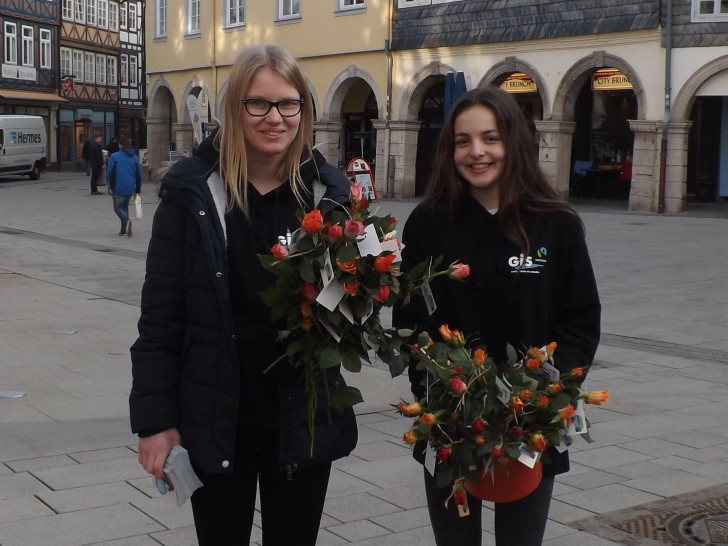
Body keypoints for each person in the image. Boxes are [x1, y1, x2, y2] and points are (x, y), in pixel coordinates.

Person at [129, 44, 357, 546]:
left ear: (304, 109)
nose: (275, 117)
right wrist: (155, 422)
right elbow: (161, 318)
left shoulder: (329, 197)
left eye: (288, 103)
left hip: (301, 415)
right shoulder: (192, 195)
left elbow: (345, 310)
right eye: (258, 103)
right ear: (235, 108)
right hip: (216, 417)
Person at [393, 86, 601, 546]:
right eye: (463, 141)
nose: (477, 151)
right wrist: (439, 393)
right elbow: (411, 321)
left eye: (490, 137)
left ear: (514, 142)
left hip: (531, 426)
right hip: (450, 421)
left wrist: (545, 394)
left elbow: (580, 319)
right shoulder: (429, 222)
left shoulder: (556, 223)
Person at [107, 135, 142, 237]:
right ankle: (123, 230)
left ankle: (127, 220)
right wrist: (138, 187)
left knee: (118, 208)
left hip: (119, 186)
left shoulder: (115, 157)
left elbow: (110, 173)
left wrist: (111, 185)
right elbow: (139, 174)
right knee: (125, 207)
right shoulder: (135, 158)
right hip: (130, 187)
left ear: (120, 145)